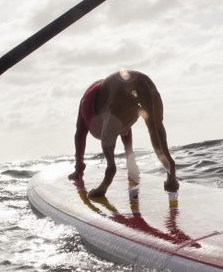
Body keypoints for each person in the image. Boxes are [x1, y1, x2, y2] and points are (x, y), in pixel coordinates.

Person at [69, 69, 179, 197]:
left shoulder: (86, 105)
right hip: (147, 83)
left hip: (121, 91)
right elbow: (124, 128)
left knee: (117, 130)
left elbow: (80, 135)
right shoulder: (98, 98)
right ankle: (171, 176)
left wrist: (79, 169)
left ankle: (107, 179)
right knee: (155, 129)